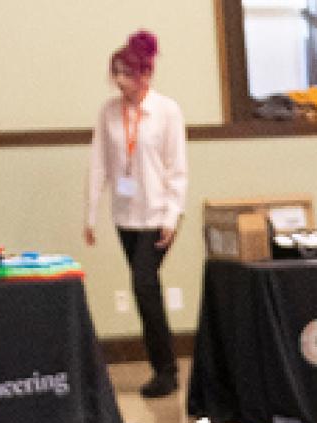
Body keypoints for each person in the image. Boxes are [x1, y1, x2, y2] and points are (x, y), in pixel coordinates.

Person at [85, 30, 189, 399]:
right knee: (147, 289)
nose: (119, 81)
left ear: (145, 74)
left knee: (143, 285)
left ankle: (166, 369)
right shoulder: (109, 111)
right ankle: (165, 366)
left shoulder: (166, 111)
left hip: (158, 213)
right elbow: (99, 161)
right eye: (115, 73)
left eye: (126, 73)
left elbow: (177, 169)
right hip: (125, 215)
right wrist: (91, 213)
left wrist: (172, 216)